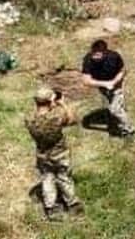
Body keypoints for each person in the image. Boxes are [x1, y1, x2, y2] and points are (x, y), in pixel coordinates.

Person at [24, 86, 81, 220]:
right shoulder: (56, 117)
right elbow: (73, 120)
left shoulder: (29, 119)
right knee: (64, 178)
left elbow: (39, 115)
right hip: (60, 155)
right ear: (50, 101)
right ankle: (73, 205)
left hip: (42, 155)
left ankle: (51, 208)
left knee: (47, 179)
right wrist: (62, 104)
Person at [79, 38, 135, 137]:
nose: (95, 56)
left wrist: (114, 82)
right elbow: (86, 80)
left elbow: (122, 71)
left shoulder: (114, 57)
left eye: (98, 54)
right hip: (102, 85)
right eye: (93, 53)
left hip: (116, 83)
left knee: (115, 109)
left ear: (105, 52)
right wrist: (105, 84)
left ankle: (129, 130)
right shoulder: (88, 59)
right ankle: (113, 122)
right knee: (109, 105)